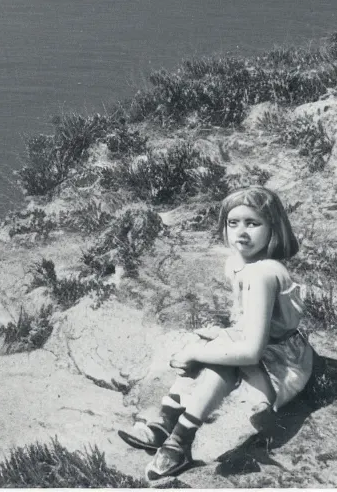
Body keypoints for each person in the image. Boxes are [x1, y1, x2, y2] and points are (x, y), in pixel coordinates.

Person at [118, 186, 314, 481]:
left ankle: (179, 441)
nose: (241, 232)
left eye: (253, 223)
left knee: (216, 359)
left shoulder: (263, 275)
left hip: (283, 364)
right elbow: (245, 322)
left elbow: (251, 352)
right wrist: (214, 338)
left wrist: (196, 353)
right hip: (263, 349)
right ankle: (166, 424)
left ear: (273, 227)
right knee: (210, 342)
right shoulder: (236, 263)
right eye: (233, 223)